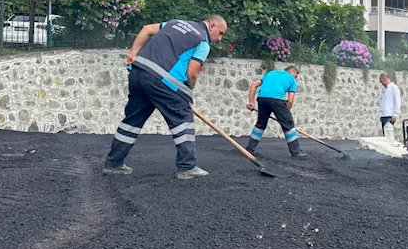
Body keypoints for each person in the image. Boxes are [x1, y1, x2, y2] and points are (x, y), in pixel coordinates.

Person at [103, 15, 228, 179]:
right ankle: (187, 167)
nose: (219, 38)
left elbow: (147, 29)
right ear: (211, 26)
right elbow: (192, 72)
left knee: (132, 121)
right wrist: (187, 96)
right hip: (161, 79)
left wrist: (133, 53)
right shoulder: (202, 41)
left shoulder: (176, 23)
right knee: (183, 119)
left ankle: (113, 163)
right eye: (220, 33)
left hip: (139, 72)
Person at [245, 66, 308, 159]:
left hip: (262, 98)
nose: (295, 78)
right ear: (292, 72)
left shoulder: (271, 73)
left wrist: (251, 102)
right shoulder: (292, 79)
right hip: (277, 100)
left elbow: (254, 85)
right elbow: (290, 101)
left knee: (260, 124)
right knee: (288, 125)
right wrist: (285, 116)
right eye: (296, 76)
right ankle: (296, 152)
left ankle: (250, 149)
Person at [378, 73, 401, 142]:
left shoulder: (394, 88)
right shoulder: (384, 89)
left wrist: (395, 114)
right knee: (385, 135)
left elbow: (397, 101)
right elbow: (384, 103)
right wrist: (381, 114)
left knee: (389, 135)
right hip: (384, 115)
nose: (381, 83)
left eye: (381, 82)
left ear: (384, 79)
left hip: (390, 115)